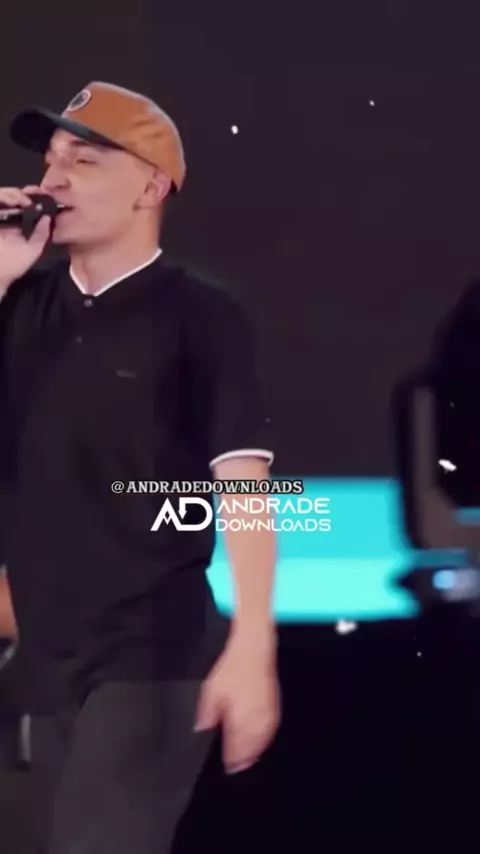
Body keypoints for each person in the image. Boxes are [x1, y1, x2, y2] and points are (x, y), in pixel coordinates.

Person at [0, 81, 280, 853]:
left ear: (150, 188)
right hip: (39, 660)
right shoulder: (19, 306)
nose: (53, 180)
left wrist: (253, 645)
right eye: (50, 161)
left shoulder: (202, 314)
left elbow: (244, 483)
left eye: (84, 161)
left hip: (151, 655)